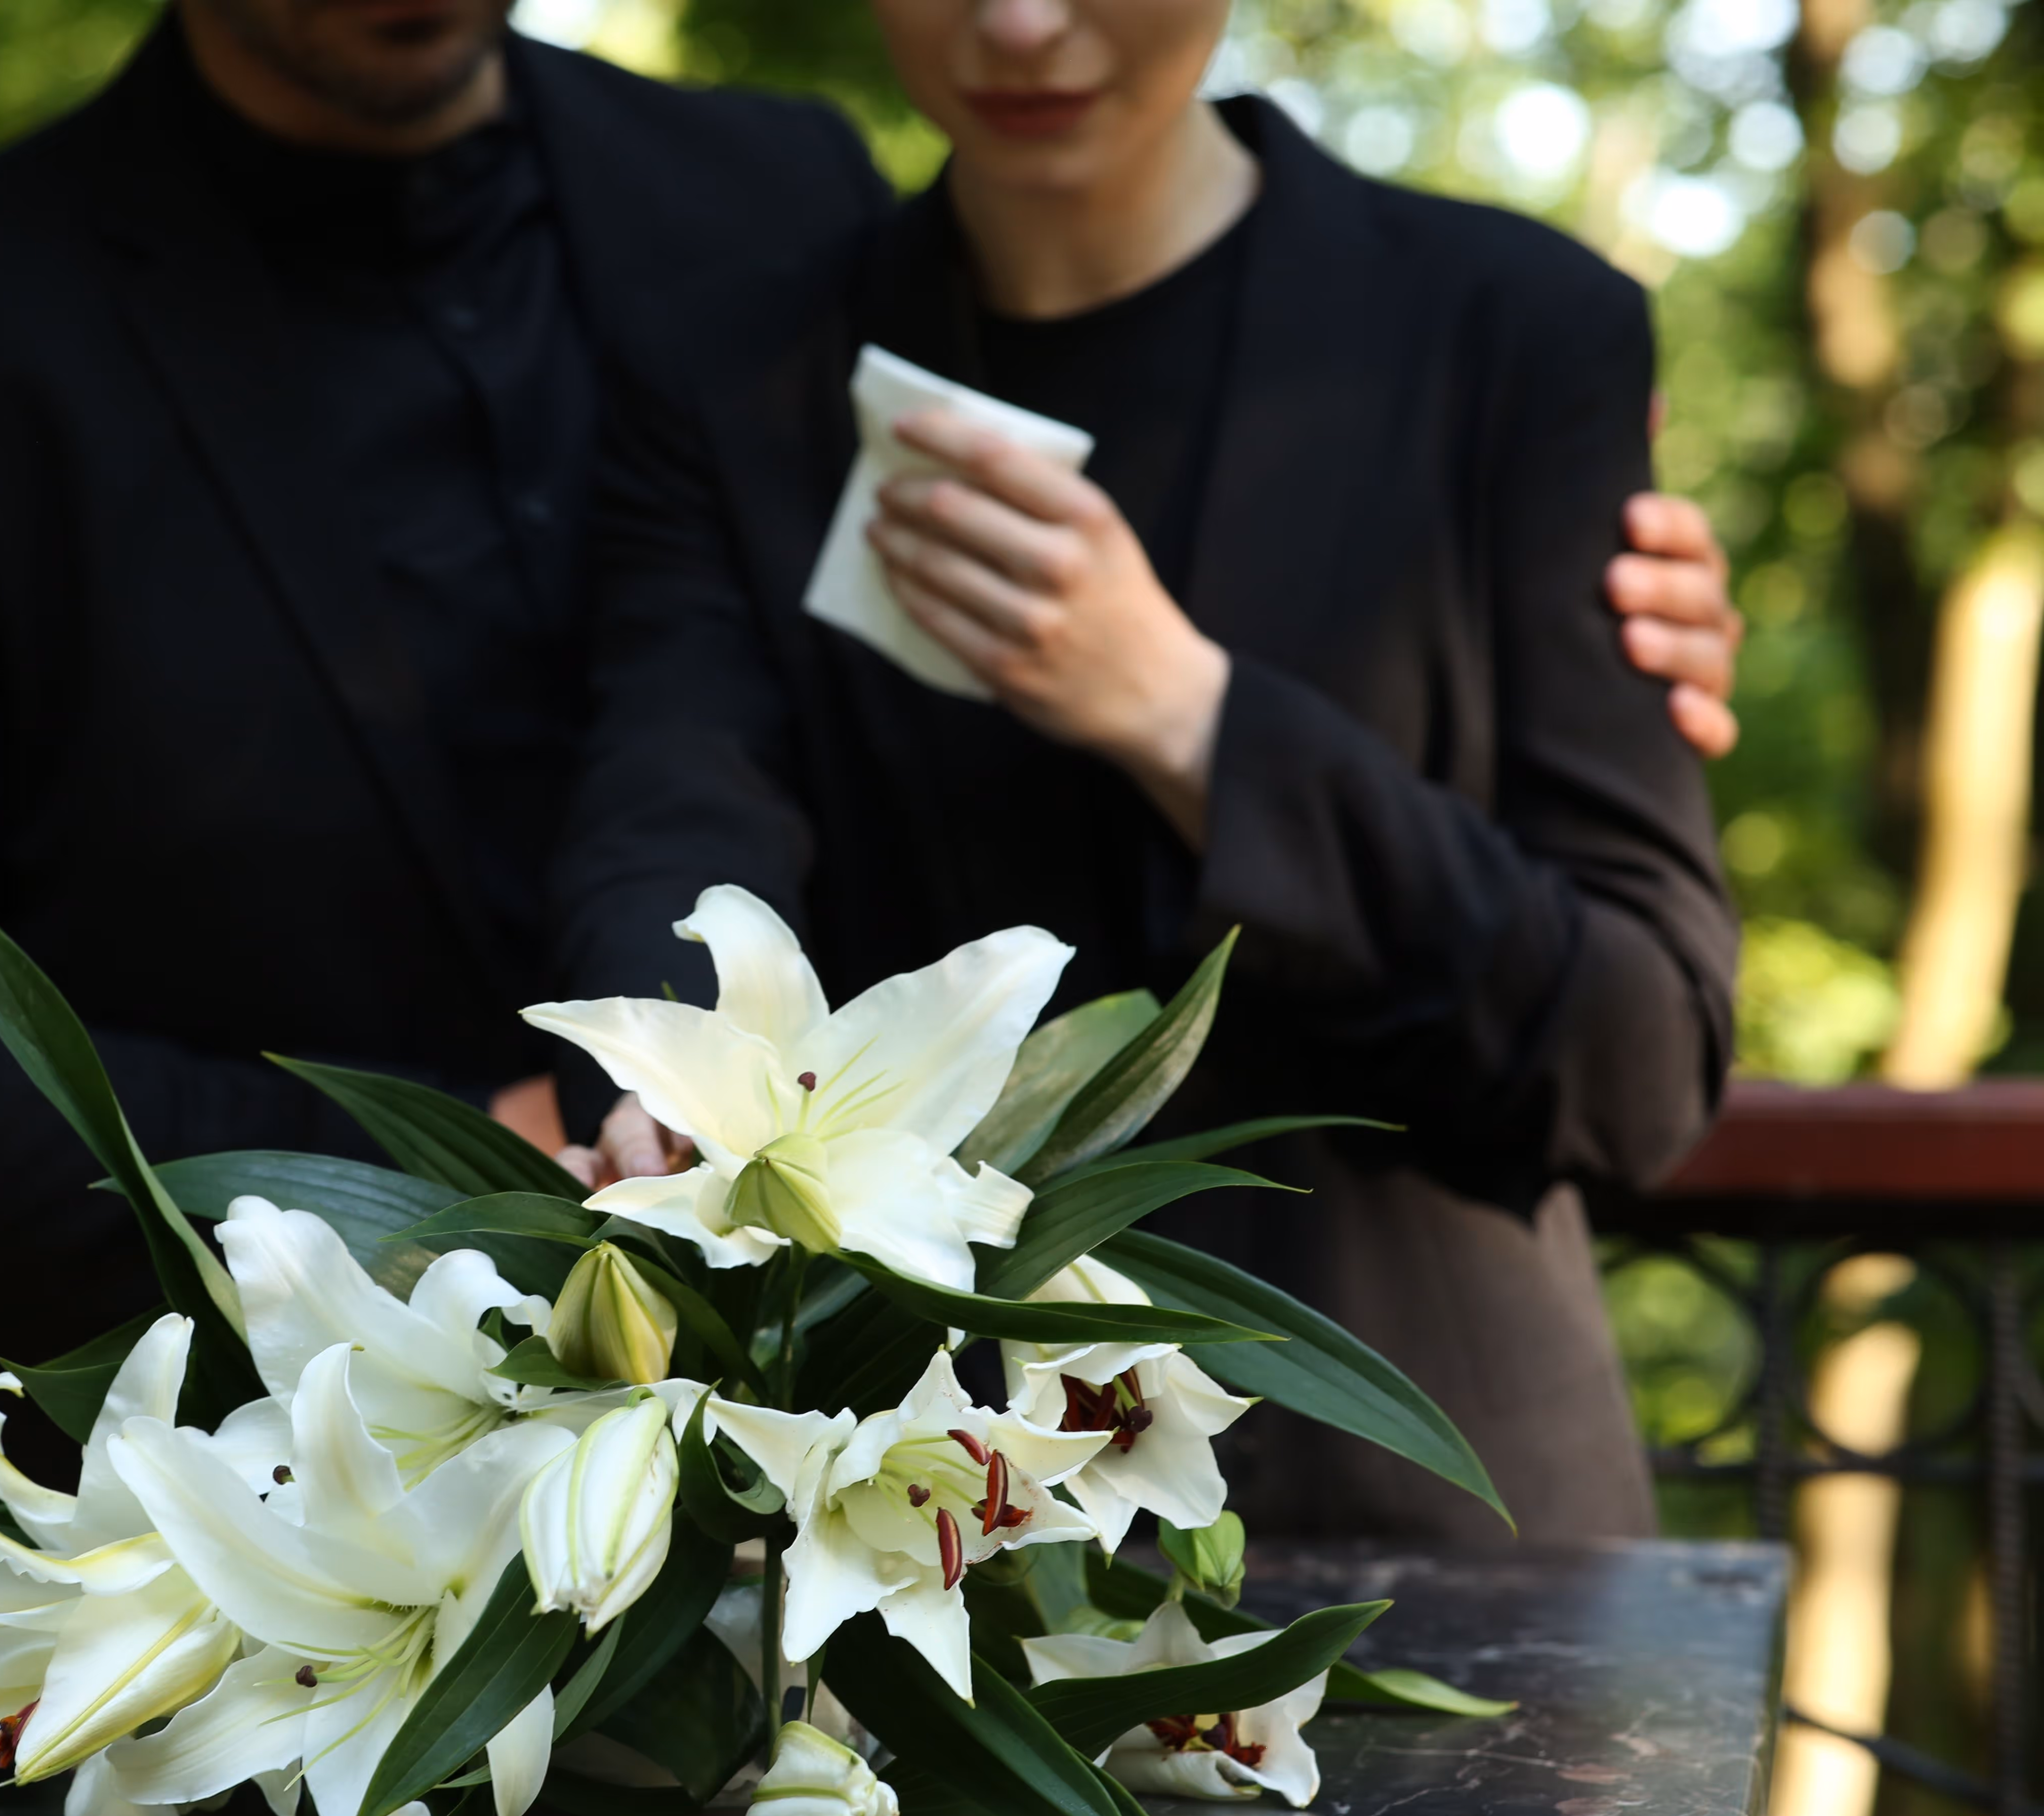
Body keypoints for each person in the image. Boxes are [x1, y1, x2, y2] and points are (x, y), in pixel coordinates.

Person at [0, 0, 1743, 1453]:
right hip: (264, 1473)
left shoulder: (766, 202)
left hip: (904, 1490)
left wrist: (1500, 626)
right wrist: (424, 1178)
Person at [545, 0, 1738, 1544]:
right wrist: (669, 1090)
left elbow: (1637, 1062)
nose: (1023, 24)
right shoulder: (737, 381)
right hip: (917, 1547)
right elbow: (672, 825)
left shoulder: (1511, 329)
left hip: (1433, 1519)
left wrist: (1185, 714)